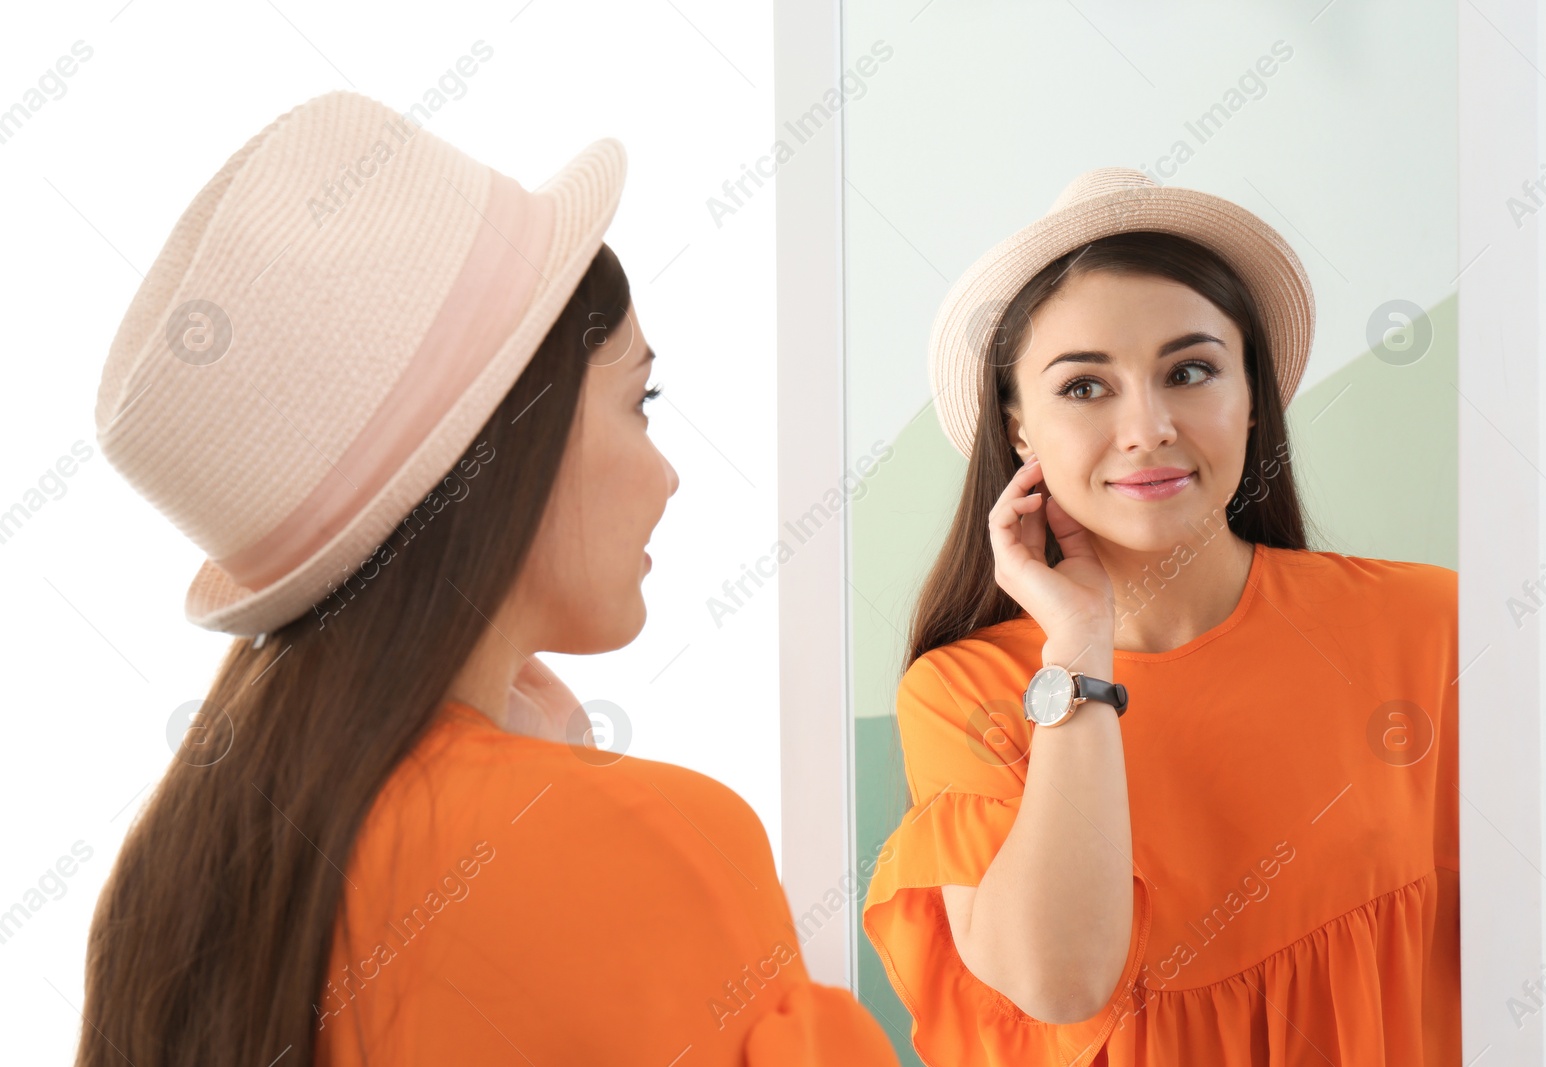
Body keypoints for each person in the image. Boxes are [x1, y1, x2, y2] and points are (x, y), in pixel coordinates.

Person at [77, 89, 897, 1067]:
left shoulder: (175, 880)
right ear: (514, 444)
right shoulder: (646, 839)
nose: (668, 473)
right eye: (643, 399)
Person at [861, 168, 1460, 1065]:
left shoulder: (1427, 624)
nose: (1147, 427)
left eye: (1189, 371)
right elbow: (1060, 980)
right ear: (1019, 430)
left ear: (1251, 397)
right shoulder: (964, 693)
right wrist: (1079, 645)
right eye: (1084, 387)